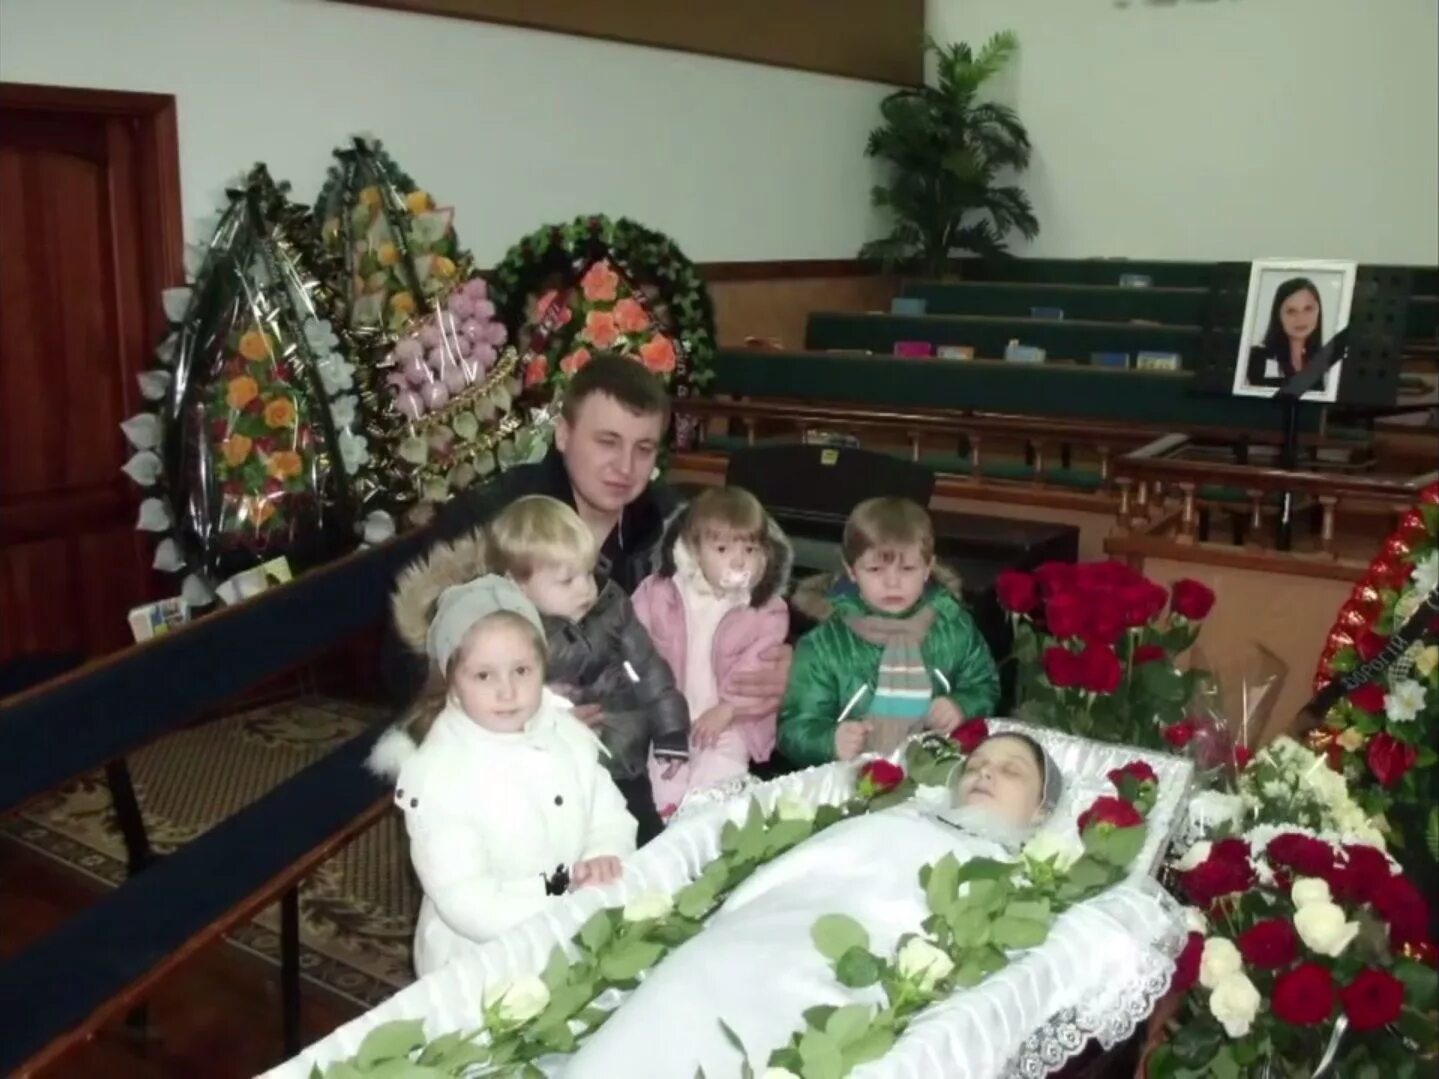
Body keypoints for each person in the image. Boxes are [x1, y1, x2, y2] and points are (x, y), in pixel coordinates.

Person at [566, 732, 1093, 1079]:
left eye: (1012, 770)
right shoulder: (904, 816)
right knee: (690, 980)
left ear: (1042, 807)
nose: (986, 774)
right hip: (764, 933)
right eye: (978, 764)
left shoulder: (1016, 876)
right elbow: (803, 868)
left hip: (850, 966)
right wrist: (732, 916)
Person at [381, 352, 792, 729]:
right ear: (563, 434)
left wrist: (787, 657)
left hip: (650, 734)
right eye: (607, 442)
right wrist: (517, 710)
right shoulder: (490, 524)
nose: (625, 467)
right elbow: (407, 666)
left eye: (644, 448)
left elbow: (767, 592)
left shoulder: (674, 526)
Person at [366, 575, 636, 977]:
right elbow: (467, 900)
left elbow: (608, 812)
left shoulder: (567, 734)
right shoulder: (441, 777)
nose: (507, 692)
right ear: (452, 682)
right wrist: (563, 908)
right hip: (486, 962)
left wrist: (603, 856)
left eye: (522, 670)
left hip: (576, 923)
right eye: (483, 676)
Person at [490, 495, 690, 841]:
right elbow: (495, 714)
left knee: (649, 842)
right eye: (567, 581)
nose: (586, 588)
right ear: (516, 584)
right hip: (554, 779)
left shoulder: (611, 607)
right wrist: (548, 723)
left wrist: (671, 730)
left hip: (625, 756)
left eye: (588, 572)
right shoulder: (505, 635)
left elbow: (649, 669)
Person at [778, 496, 999, 766]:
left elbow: (985, 685)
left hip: (938, 769)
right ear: (851, 571)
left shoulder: (954, 627)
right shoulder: (823, 645)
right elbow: (794, 728)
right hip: (853, 781)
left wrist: (961, 706)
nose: (892, 582)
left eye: (907, 568)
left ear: (928, 568)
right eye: (874, 569)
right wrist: (830, 740)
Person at [631, 487, 793, 818]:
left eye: (750, 548)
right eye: (722, 548)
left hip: (730, 723)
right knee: (664, 789)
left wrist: (728, 709)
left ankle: (708, 835)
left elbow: (758, 666)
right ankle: (669, 832)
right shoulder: (658, 594)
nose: (738, 560)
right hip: (665, 723)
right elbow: (633, 648)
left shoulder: (765, 610)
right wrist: (650, 705)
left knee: (716, 787)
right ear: (692, 550)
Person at [1245, 277, 1327, 390]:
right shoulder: (1255, 358)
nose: (1300, 318)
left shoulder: (1325, 362)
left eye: (1308, 309)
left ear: (1319, 311)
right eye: (1291, 311)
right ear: (1278, 315)